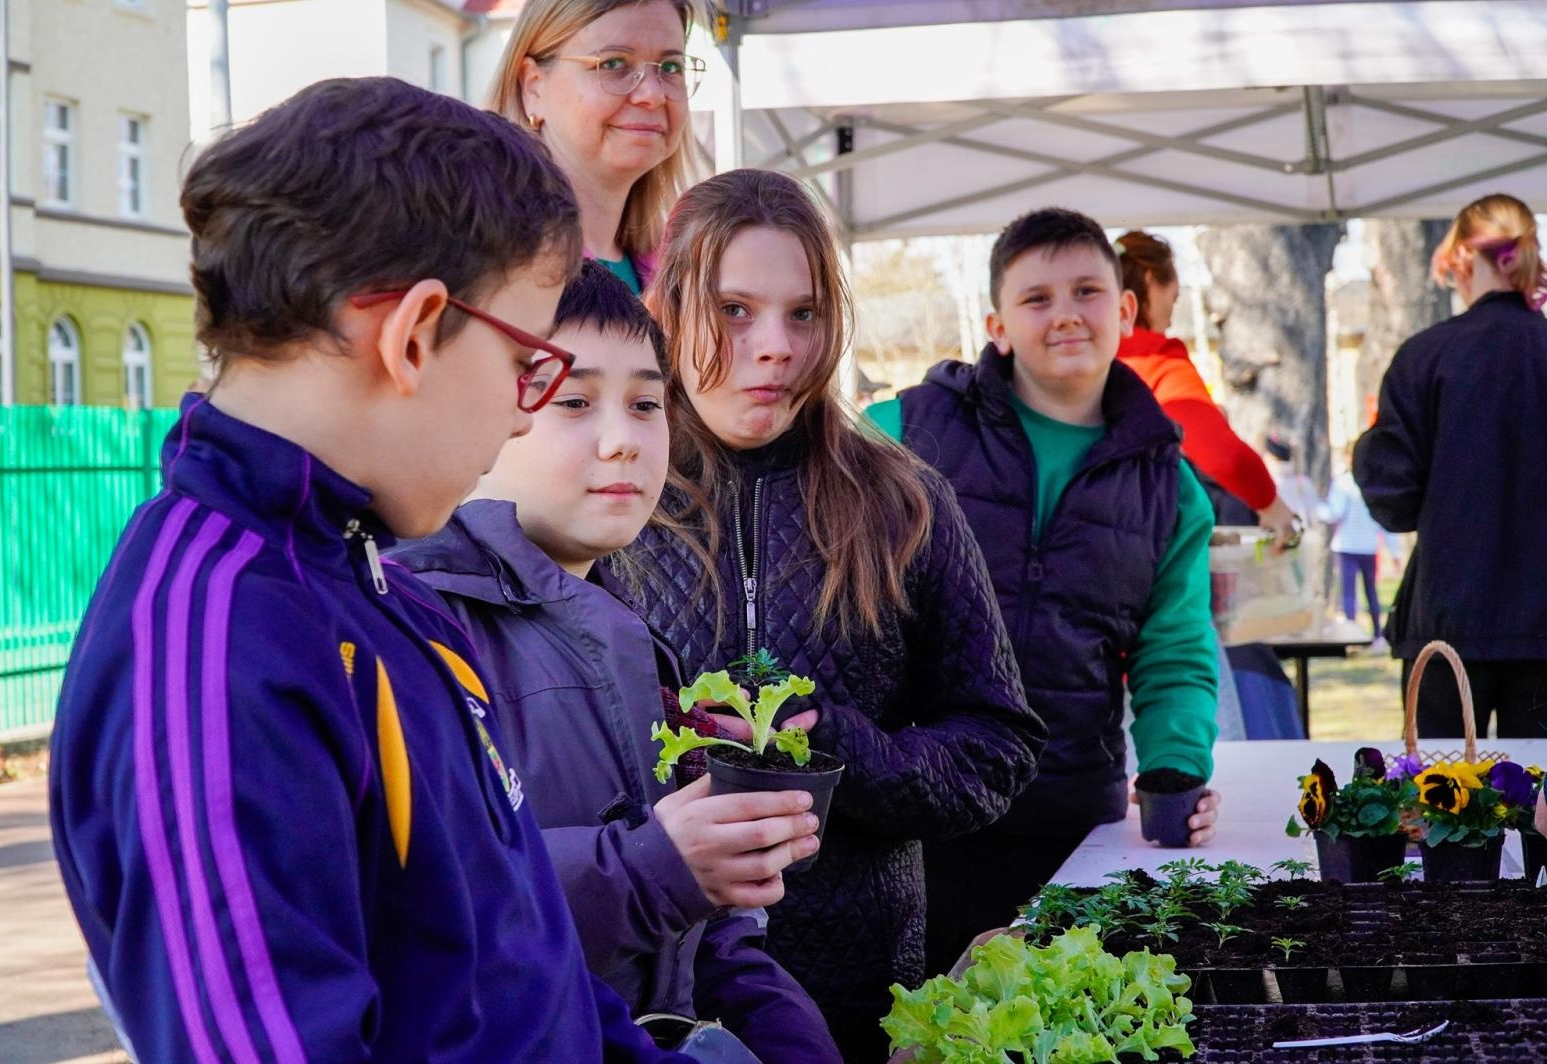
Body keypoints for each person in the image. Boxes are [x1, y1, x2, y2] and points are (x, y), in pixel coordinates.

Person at [47, 78, 687, 1063]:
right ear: (414, 332)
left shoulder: (380, 584)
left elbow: (523, 970)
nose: (522, 414)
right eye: (531, 365)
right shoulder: (214, 647)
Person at [620, 169, 1047, 1060]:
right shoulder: (611, 500)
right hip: (649, 1002)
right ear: (667, 308)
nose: (775, 346)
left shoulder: (904, 501)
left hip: (861, 1003)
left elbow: (1000, 743)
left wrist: (857, 753)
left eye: (802, 313)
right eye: (735, 310)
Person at [391, 262, 840, 1063]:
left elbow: (703, 940)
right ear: (486, 411)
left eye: (645, 403)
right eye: (573, 401)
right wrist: (650, 866)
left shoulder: (626, 636)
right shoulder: (418, 626)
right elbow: (432, 903)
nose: (623, 438)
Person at [866, 208, 1222, 975]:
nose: (1065, 315)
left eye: (1087, 291)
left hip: (1066, 824)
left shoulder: (1172, 489)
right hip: (909, 812)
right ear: (997, 324)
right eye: (1036, 299)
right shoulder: (901, 429)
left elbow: (1176, 648)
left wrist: (1175, 769)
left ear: (1126, 310)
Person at [1355, 191, 1547, 739]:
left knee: (1440, 808)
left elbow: (1393, 500)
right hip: (1542, 630)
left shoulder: (1427, 356)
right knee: (1541, 810)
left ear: (1462, 257)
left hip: (1449, 618)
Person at [489, 0, 703, 293]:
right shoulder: (490, 264)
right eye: (613, 63)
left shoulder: (681, 271)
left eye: (670, 67)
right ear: (533, 86)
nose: (653, 94)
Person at [1114, 230, 1297, 538]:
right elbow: (1223, 456)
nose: (1171, 318)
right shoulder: (1156, 359)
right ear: (1148, 282)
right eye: (1173, 297)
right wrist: (1272, 506)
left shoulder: (1077, 357)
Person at [1317, 455, 1398, 651]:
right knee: (1371, 591)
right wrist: (1395, 551)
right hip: (1367, 546)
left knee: (1350, 593)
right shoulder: (1374, 485)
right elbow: (1383, 521)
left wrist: (1315, 508)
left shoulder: (1344, 484)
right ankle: (1377, 634)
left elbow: (1334, 512)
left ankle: (1353, 636)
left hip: (1348, 546)